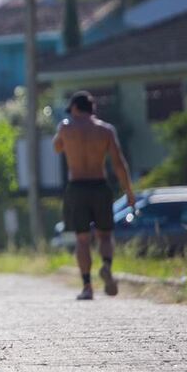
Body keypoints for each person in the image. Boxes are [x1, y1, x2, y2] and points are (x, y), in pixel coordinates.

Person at [52, 90, 135, 300]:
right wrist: (129, 192)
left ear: (75, 108)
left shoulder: (66, 127)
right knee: (105, 235)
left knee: (82, 240)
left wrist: (63, 131)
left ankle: (87, 286)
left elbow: (56, 148)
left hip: (77, 187)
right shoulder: (105, 130)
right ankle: (106, 266)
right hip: (99, 186)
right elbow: (119, 163)